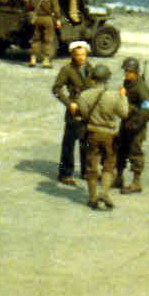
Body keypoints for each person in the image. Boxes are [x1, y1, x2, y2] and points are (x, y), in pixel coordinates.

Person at [76, 63, 128, 209]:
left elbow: (84, 114)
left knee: (91, 165)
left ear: (93, 78)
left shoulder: (84, 96)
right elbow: (123, 113)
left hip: (92, 133)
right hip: (109, 135)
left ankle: (92, 197)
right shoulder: (114, 96)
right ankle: (104, 192)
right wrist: (123, 97)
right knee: (109, 164)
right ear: (107, 79)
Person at [51, 41, 96, 187]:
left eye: (83, 54)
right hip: (74, 109)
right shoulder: (67, 70)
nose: (81, 58)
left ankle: (85, 170)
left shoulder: (90, 68)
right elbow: (56, 89)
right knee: (69, 143)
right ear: (73, 55)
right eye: (78, 55)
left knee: (87, 141)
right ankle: (65, 173)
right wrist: (68, 103)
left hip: (88, 109)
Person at [115, 57, 149, 194]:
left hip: (136, 125)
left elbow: (148, 109)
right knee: (120, 149)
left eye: (129, 71)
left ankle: (136, 182)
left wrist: (135, 121)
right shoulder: (128, 82)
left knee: (135, 151)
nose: (126, 73)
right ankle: (118, 177)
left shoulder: (141, 88)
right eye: (125, 71)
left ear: (136, 72)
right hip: (126, 122)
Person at [28, 0, 61, 69]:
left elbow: (29, 7)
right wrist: (58, 19)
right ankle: (46, 61)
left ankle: (32, 59)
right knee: (48, 40)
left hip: (37, 18)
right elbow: (56, 9)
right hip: (48, 19)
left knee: (35, 38)